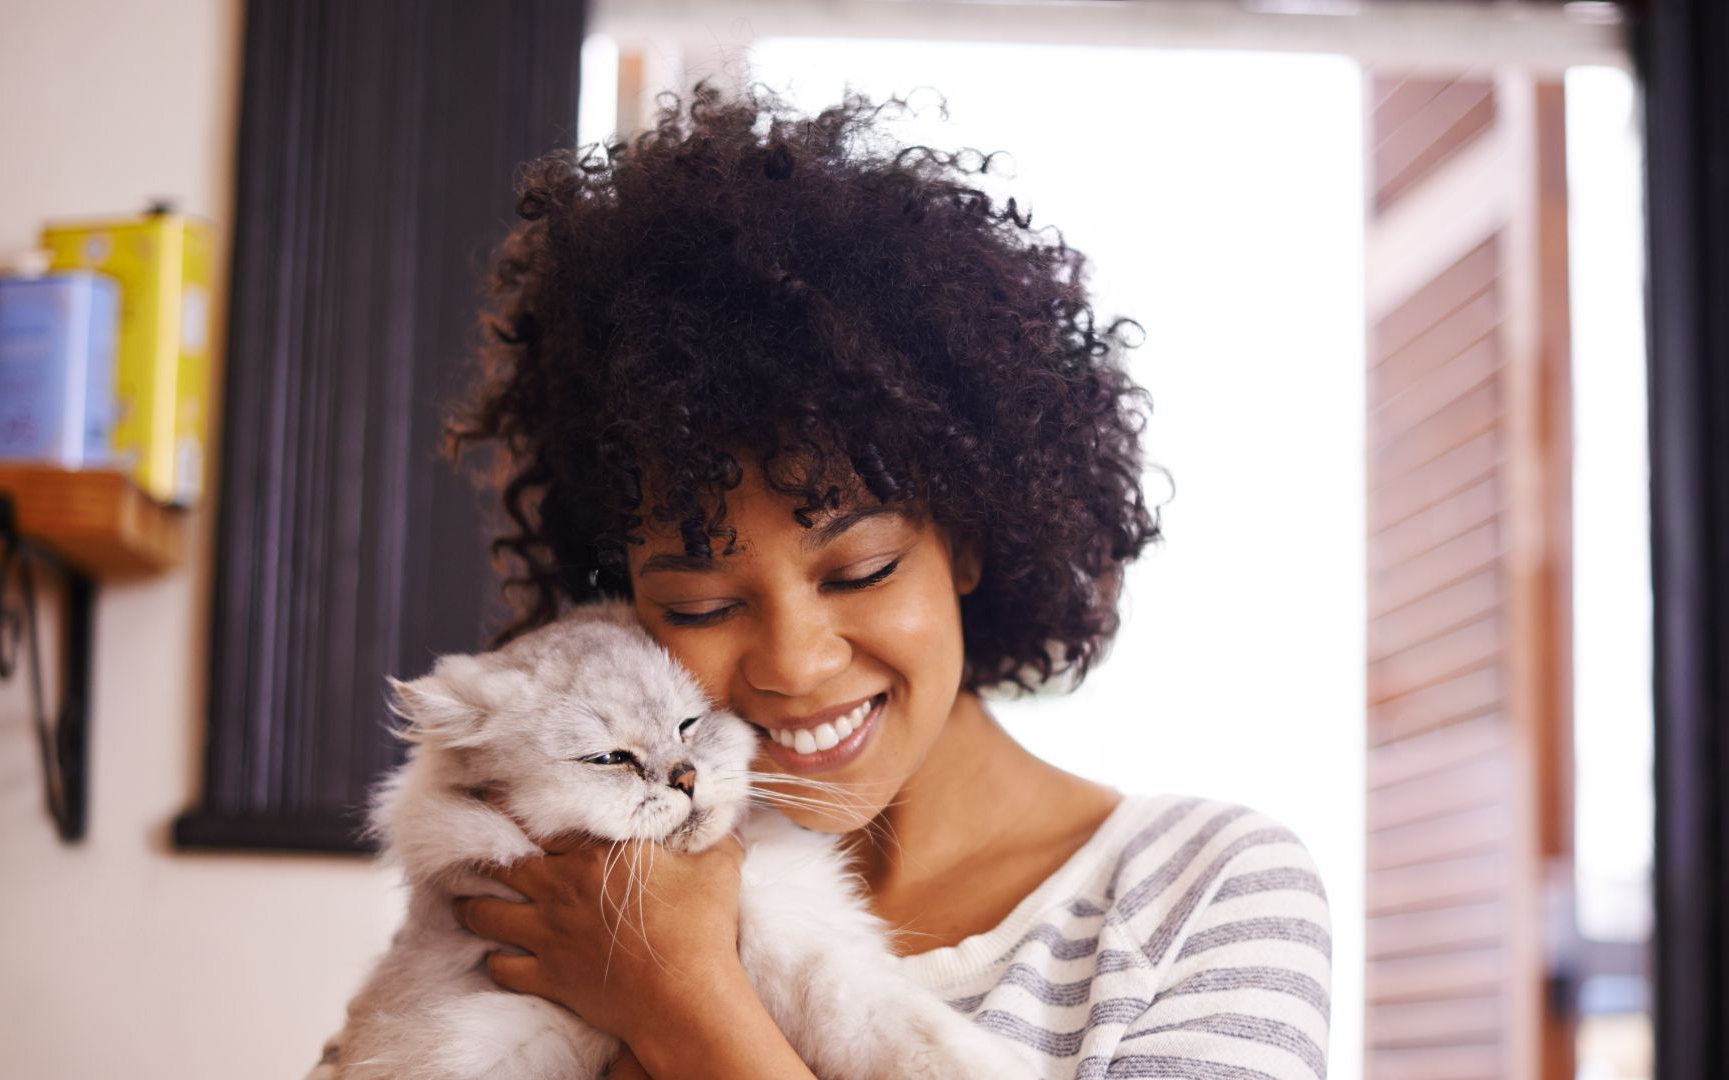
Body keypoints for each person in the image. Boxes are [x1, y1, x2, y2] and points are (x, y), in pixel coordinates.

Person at [441, 84, 1331, 1080]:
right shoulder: (582, 886)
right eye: (703, 604)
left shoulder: (1199, 894)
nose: (793, 662)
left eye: (861, 571)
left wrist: (681, 1001)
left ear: (971, 538)